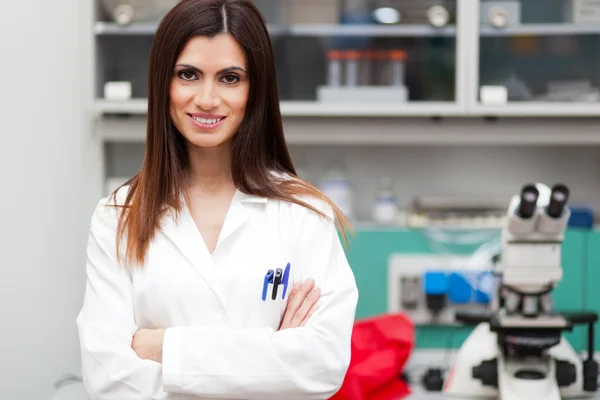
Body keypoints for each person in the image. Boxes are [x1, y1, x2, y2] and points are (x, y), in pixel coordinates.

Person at [76, 0, 359, 399]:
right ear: (163, 83)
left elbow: (323, 365)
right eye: (188, 74)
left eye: (229, 78)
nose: (207, 99)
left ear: (255, 89)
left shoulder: (303, 213)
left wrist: (164, 348)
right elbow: (108, 380)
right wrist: (271, 357)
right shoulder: (118, 216)